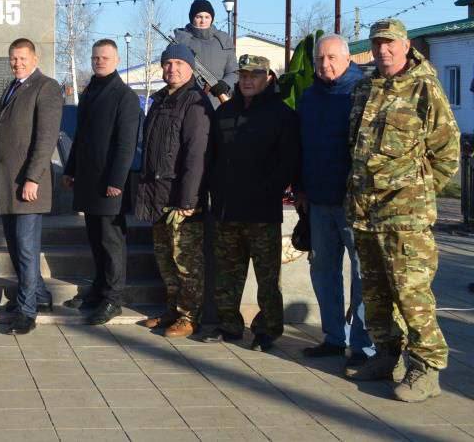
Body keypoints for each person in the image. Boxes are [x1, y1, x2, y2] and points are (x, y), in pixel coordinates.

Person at [345, 18, 460, 402]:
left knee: (411, 293)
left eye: (390, 44)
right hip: (366, 212)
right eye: (378, 44)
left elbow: (447, 152)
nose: (383, 51)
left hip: (406, 216)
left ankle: (426, 369)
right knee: (375, 292)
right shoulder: (365, 88)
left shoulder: (424, 88)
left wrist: (418, 190)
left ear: (406, 45)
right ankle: (385, 354)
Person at [205, 54, 299, 351]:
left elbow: (288, 162)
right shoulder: (225, 112)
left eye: (254, 75)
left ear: (268, 77)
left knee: (267, 278)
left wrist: (268, 189)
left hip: (261, 210)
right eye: (243, 75)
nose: (247, 80)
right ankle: (229, 324)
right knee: (227, 274)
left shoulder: (282, 114)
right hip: (227, 209)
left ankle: (267, 329)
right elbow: (213, 157)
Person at [296, 34, 372, 366]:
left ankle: (363, 344)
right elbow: (299, 146)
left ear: (346, 59)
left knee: (361, 274)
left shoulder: (363, 93)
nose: (324, 64)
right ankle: (333, 337)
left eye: (331, 58)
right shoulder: (310, 97)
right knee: (324, 270)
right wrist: (300, 188)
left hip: (354, 202)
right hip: (319, 200)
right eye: (319, 59)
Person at [135, 43, 211, 338]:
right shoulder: (160, 100)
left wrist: (189, 200)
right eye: (168, 63)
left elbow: (196, 155)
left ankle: (190, 316)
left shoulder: (195, 102)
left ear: (191, 67)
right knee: (166, 259)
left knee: (186, 261)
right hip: (158, 195)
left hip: (181, 200)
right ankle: (173, 309)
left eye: (179, 63)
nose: (172, 69)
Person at [63, 40, 140, 325]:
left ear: (116, 59)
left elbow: (126, 144)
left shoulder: (124, 96)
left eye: (105, 57)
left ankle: (113, 298)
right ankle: (99, 288)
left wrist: (117, 181)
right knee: (95, 238)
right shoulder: (91, 90)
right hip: (88, 180)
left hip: (110, 184)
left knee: (111, 241)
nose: (99, 62)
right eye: (95, 57)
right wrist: (70, 170)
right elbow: (80, 137)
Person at [0, 38, 63, 335]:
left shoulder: (46, 87)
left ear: (34, 58)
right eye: (13, 59)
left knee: (26, 249)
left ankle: (26, 310)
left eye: (22, 58)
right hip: (7, 184)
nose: (17, 63)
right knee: (16, 246)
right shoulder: (11, 88)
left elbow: (45, 139)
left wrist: (33, 178)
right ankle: (38, 296)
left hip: (28, 186)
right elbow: (0, 140)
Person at [172, 0, 238, 107]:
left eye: (207, 17)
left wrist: (225, 84)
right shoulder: (180, 40)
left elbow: (234, 72)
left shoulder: (223, 40)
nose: (203, 21)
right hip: (186, 103)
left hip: (217, 103)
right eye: (198, 17)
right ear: (192, 18)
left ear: (212, 18)